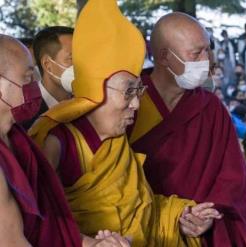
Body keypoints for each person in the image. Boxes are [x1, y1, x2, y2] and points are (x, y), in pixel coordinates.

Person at [30, 1, 222, 246]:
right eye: (128, 92)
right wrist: (90, 243)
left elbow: (144, 211)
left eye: (137, 90)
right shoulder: (58, 142)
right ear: (98, 90)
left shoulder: (117, 140)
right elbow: (37, 219)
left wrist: (183, 216)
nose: (136, 105)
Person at [129, 12, 246, 246]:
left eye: (208, 49)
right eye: (196, 53)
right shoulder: (129, 102)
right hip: (140, 228)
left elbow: (232, 178)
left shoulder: (211, 108)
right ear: (164, 57)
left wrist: (209, 214)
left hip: (197, 232)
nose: (207, 60)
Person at [0, 34, 131, 247]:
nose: (35, 85)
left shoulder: (19, 140)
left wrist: (92, 245)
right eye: (27, 78)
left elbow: (53, 224)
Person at [22, 26, 74, 130]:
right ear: (47, 65)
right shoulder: (25, 116)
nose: (82, 65)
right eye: (71, 58)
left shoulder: (90, 106)